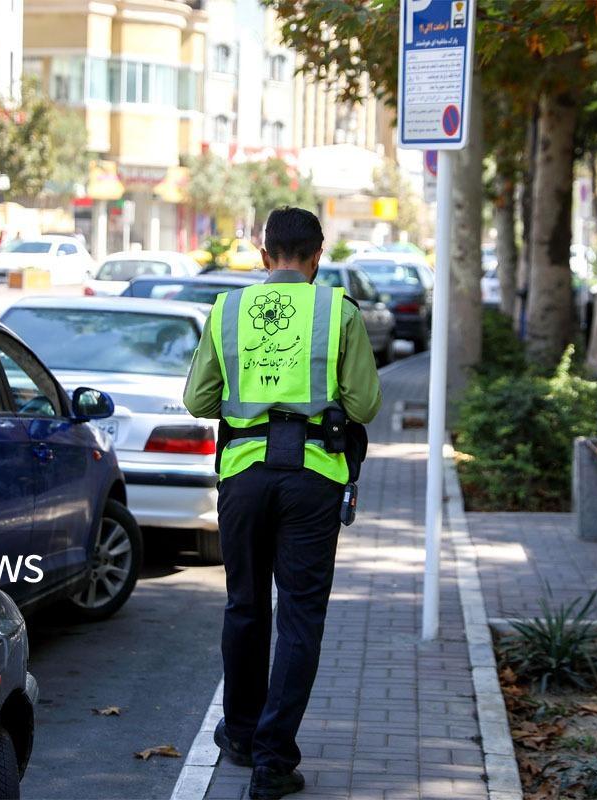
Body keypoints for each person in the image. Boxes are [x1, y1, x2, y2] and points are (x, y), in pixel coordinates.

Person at [183, 207, 382, 800]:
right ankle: (274, 761)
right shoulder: (337, 311)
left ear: (263, 255)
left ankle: (240, 735)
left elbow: (198, 400)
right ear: (318, 257)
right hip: (314, 477)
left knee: (245, 607)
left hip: (243, 475)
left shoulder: (227, 310)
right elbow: (366, 403)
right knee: (299, 615)